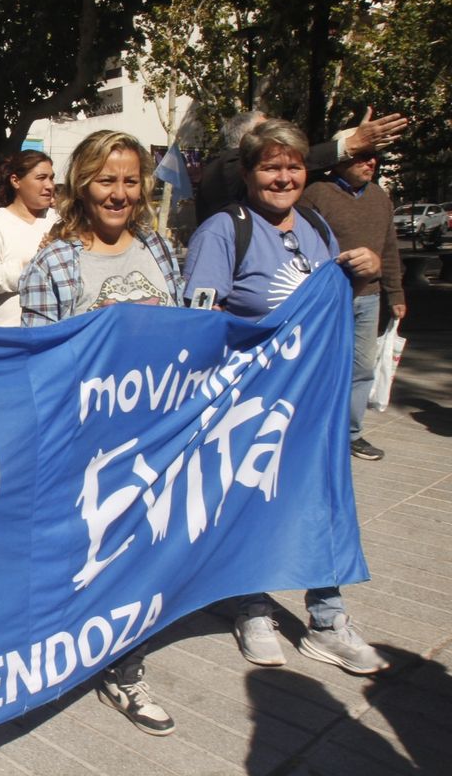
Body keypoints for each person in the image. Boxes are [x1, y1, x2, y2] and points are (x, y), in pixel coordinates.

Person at [183, 118, 387, 675]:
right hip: (250, 405)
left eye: (293, 166)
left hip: (313, 404)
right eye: (270, 167)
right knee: (252, 501)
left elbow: (327, 299)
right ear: (248, 174)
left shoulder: (317, 226)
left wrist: (362, 270)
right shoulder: (224, 232)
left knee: (320, 503)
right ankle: (249, 604)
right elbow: (200, 323)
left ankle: (327, 618)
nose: (283, 177)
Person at [18, 130, 181, 736]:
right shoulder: (55, 261)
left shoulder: (159, 249)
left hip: (159, 439)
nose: (118, 193)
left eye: (130, 180)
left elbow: (184, 331)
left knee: (141, 556)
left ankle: (123, 668)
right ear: (81, 185)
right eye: (106, 180)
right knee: (87, 557)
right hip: (88, 447)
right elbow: (42, 360)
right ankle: (59, 655)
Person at [300, 138, 405, 462]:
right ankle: (313, 434)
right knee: (322, 368)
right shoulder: (316, 193)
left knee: (361, 369)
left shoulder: (380, 198)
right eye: (362, 156)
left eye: (374, 157)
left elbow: (388, 248)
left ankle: (351, 435)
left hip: (370, 298)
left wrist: (396, 293)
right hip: (329, 298)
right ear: (342, 157)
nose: (370, 163)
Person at [195, 107, 408, 224]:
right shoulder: (225, 167)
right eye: (268, 130)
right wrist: (350, 145)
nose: (284, 179)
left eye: (294, 169)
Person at [0, 151, 57, 325]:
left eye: (51, 178)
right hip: (8, 335)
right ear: (16, 181)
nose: (49, 185)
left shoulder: (60, 221)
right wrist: (27, 268)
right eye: (41, 178)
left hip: (53, 335)